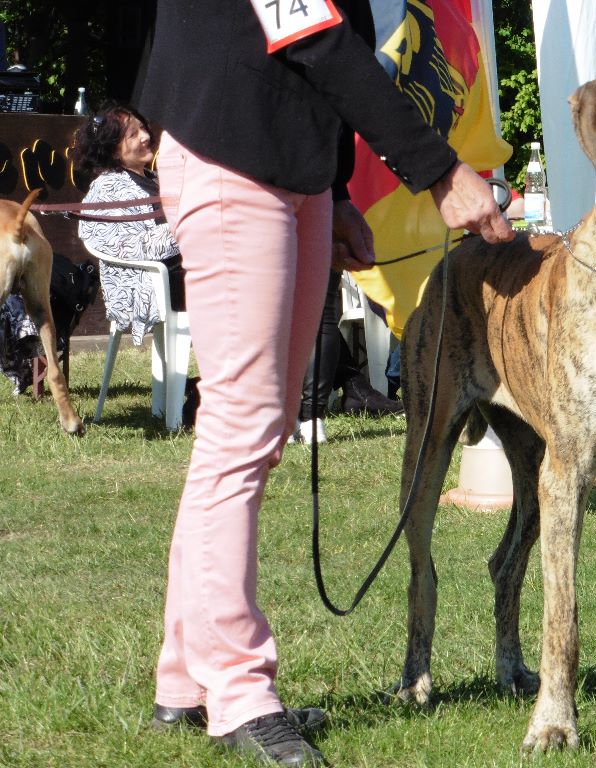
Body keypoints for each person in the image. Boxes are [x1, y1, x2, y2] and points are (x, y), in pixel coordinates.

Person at [137, 0, 513, 764]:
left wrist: (335, 188)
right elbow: (309, 31)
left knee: (251, 436)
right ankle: (239, 691)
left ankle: (184, 678)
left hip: (287, 162)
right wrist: (439, 171)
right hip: (231, 147)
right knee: (242, 431)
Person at [72, 105, 185, 347]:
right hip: (151, 281)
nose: (145, 136)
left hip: (182, 268)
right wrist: (187, 228)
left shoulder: (156, 179)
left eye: (143, 128)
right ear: (113, 151)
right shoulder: (106, 189)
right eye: (133, 134)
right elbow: (127, 247)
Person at [291, 245, 404, 445]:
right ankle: (313, 419)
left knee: (280, 309)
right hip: (327, 222)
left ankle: (288, 415)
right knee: (322, 313)